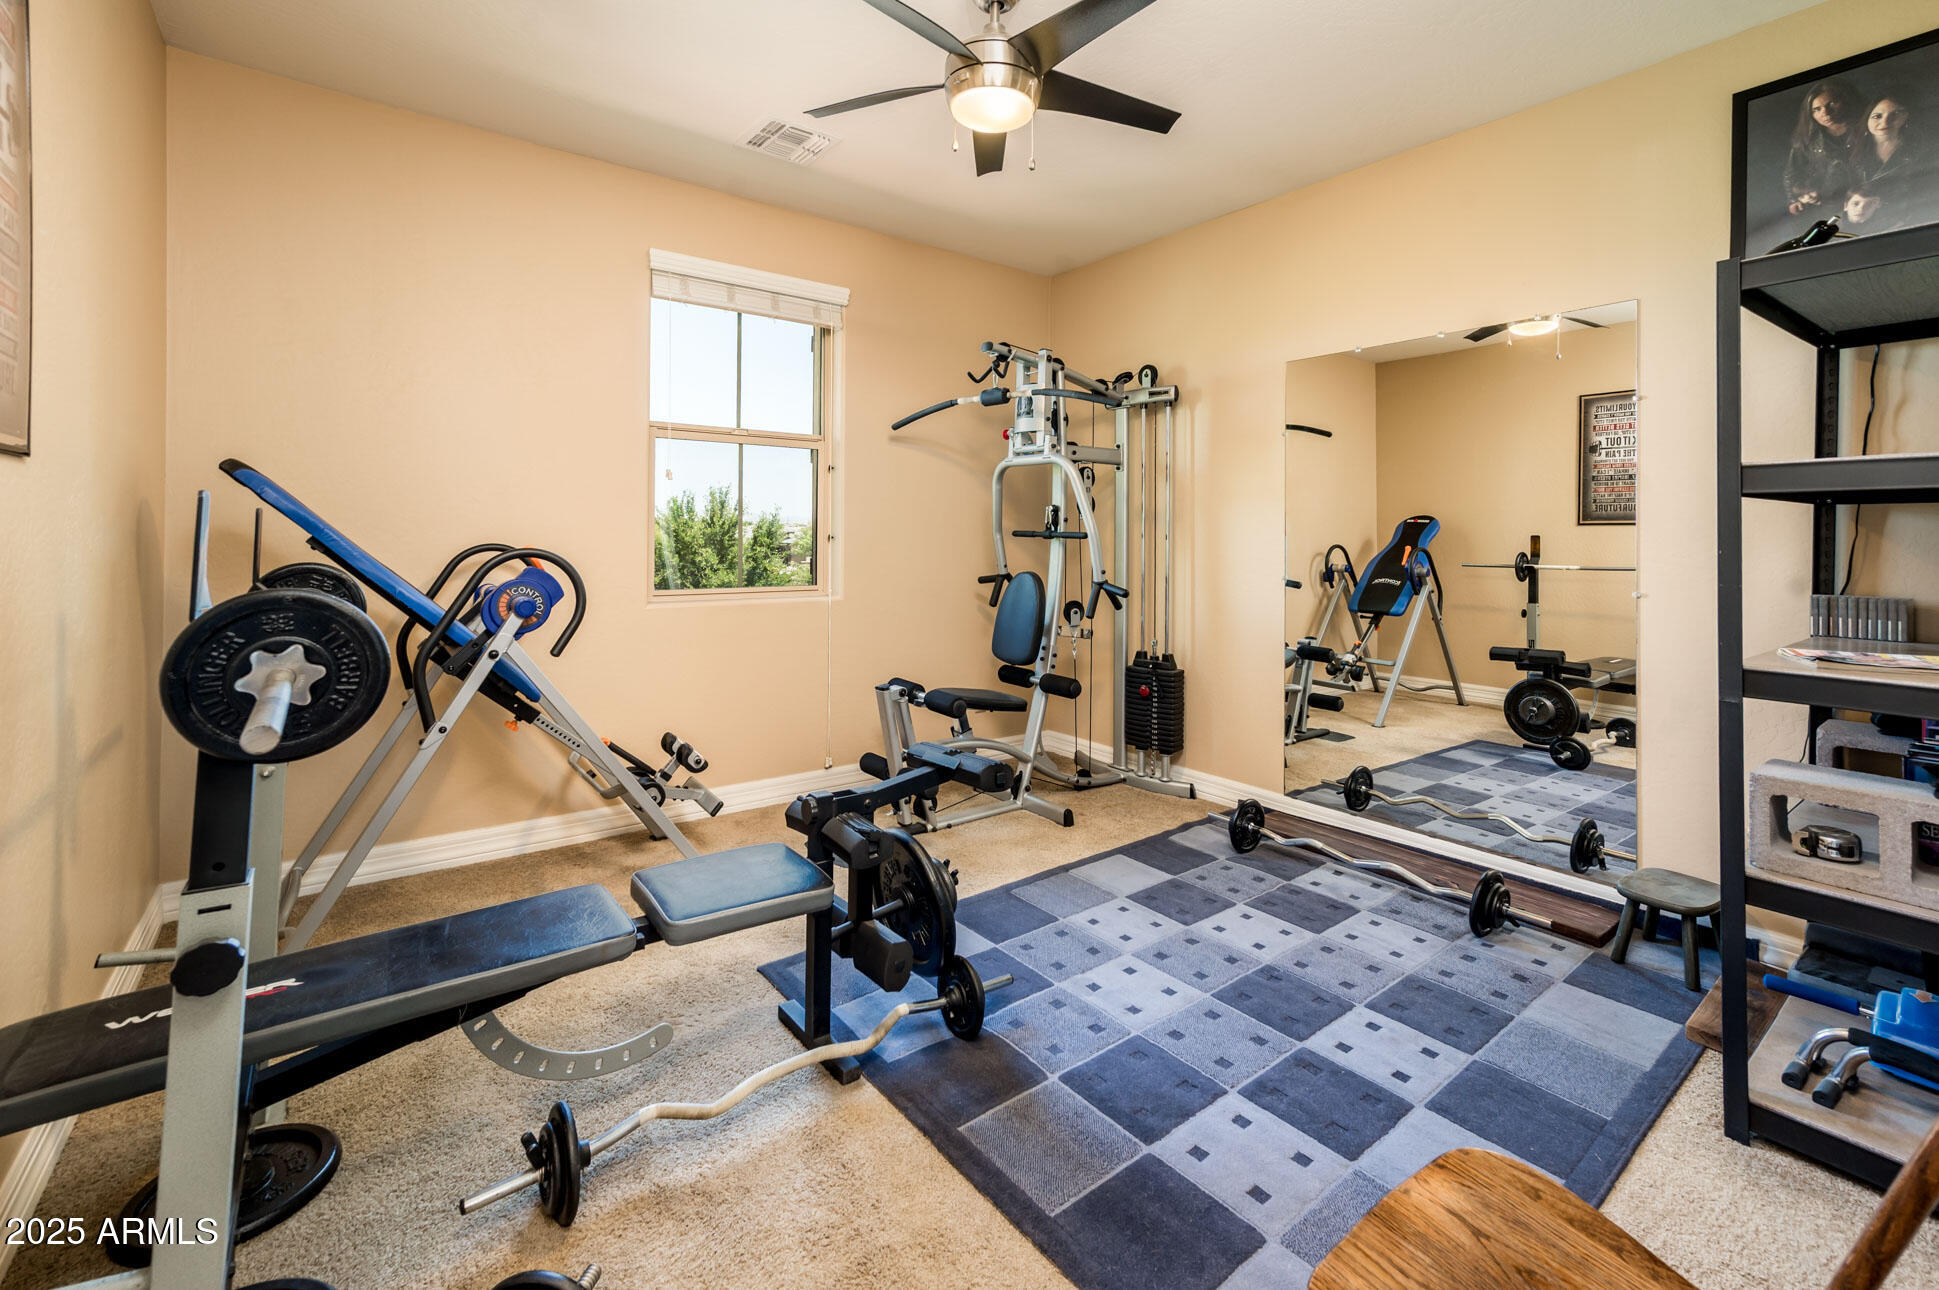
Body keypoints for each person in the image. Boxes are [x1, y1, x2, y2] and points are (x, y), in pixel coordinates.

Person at [1782, 78, 1861, 215]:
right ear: (1810, 114)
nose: (1825, 112)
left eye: (1832, 104)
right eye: (1817, 109)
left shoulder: (1866, 128)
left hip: (1862, 200)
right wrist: (1794, 199)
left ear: (1844, 101)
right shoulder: (1807, 137)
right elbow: (1792, 172)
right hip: (1824, 203)